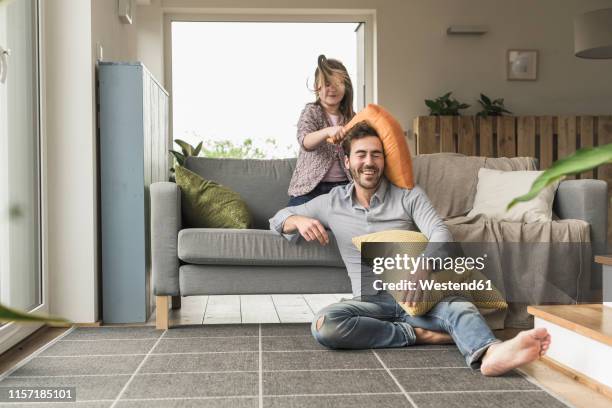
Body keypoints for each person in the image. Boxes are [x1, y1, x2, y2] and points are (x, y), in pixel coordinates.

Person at [270, 121, 551, 376]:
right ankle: (420, 336)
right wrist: (297, 219)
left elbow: (441, 233)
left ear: (384, 160)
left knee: (461, 308)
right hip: (370, 304)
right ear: (347, 162)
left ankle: (491, 353)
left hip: (419, 299)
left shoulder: (409, 196)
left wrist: (422, 269)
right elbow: (277, 218)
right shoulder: (331, 203)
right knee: (325, 325)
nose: (369, 162)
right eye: (361, 154)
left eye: (376, 154)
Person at [287, 55, 355, 206]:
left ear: (346, 87)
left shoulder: (351, 118)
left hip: (344, 187)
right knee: (293, 220)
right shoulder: (311, 111)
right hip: (310, 189)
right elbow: (305, 141)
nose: (333, 89)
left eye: (338, 83)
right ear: (317, 87)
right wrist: (327, 131)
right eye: (327, 84)